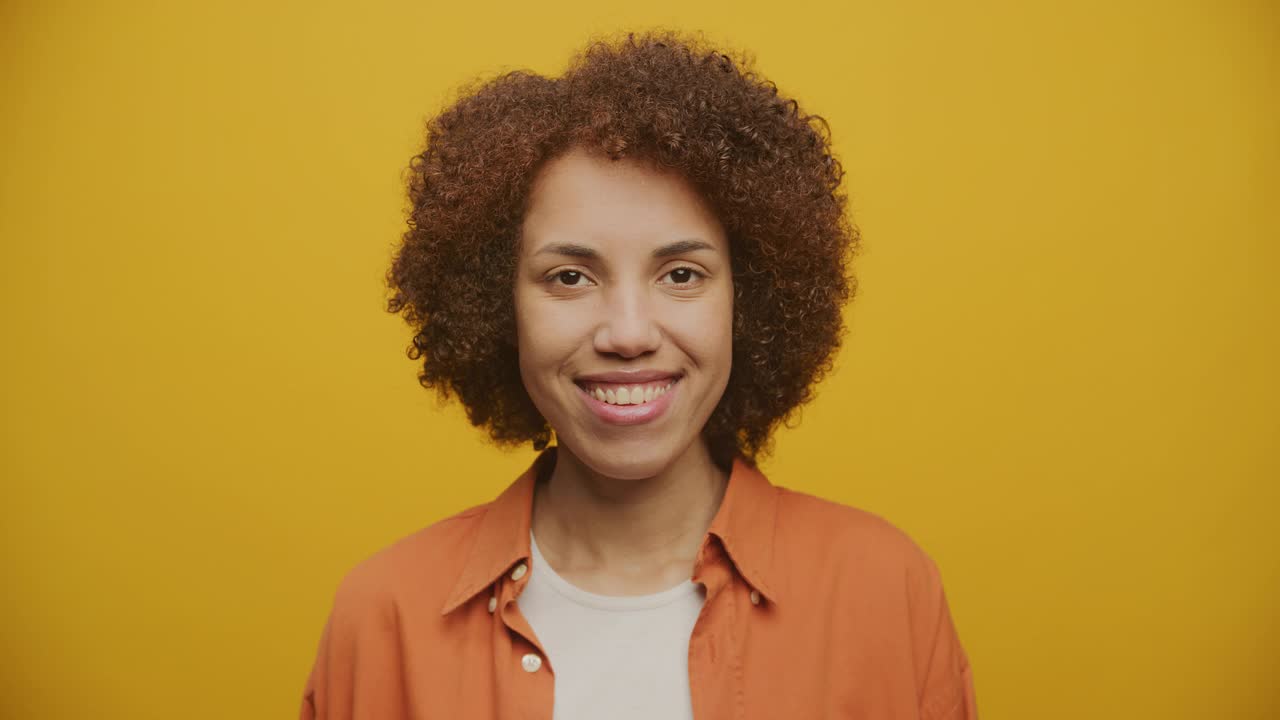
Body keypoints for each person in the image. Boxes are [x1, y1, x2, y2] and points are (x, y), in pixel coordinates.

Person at [299, 28, 977, 720]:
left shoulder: (887, 592)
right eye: (570, 277)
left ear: (750, 297)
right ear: (498, 303)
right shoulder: (382, 620)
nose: (628, 333)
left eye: (681, 275)